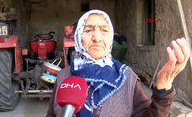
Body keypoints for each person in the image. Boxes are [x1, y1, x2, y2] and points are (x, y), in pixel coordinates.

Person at [46, 9, 190, 117]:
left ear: (111, 37)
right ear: (78, 37)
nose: (97, 38)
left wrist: (163, 90)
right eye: (88, 30)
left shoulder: (126, 77)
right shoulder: (64, 76)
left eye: (104, 30)